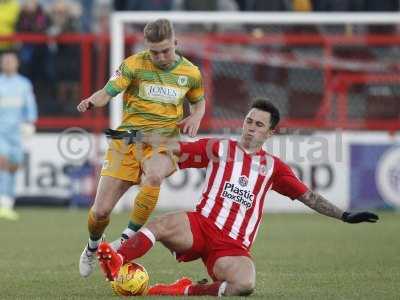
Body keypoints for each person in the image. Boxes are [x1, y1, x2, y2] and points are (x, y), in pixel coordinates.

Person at [96, 98, 378, 296]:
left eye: (258, 124)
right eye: (248, 121)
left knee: (245, 284)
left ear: (270, 132)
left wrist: (343, 215)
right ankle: (116, 260)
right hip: (201, 226)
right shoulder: (220, 148)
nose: (250, 127)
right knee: (160, 225)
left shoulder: (274, 168)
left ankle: (185, 289)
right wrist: (141, 137)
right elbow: (178, 148)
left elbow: (309, 197)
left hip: (232, 247)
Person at [76, 18, 205, 278]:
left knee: (154, 175)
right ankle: (91, 248)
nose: (159, 57)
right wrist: (92, 100)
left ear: (176, 43)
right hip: (127, 141)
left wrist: (195, 116)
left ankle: (125, 239)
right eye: (154, 51)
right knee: (100, 211)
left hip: (163, 141)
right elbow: (107, 91)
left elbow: (199, 102)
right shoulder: (134, 64)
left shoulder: (190, 73)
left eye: (165, 50)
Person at [0, 50, 38, 220]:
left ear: (17, 63)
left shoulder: (24, 84)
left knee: (14, 166)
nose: (8, 63)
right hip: (1, 131)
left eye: (11, 60)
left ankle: (8, 201)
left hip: (17, 133)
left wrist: (30, 123)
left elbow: (30, 106)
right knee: (3, 163)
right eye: (5, 61)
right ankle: (3, 204)